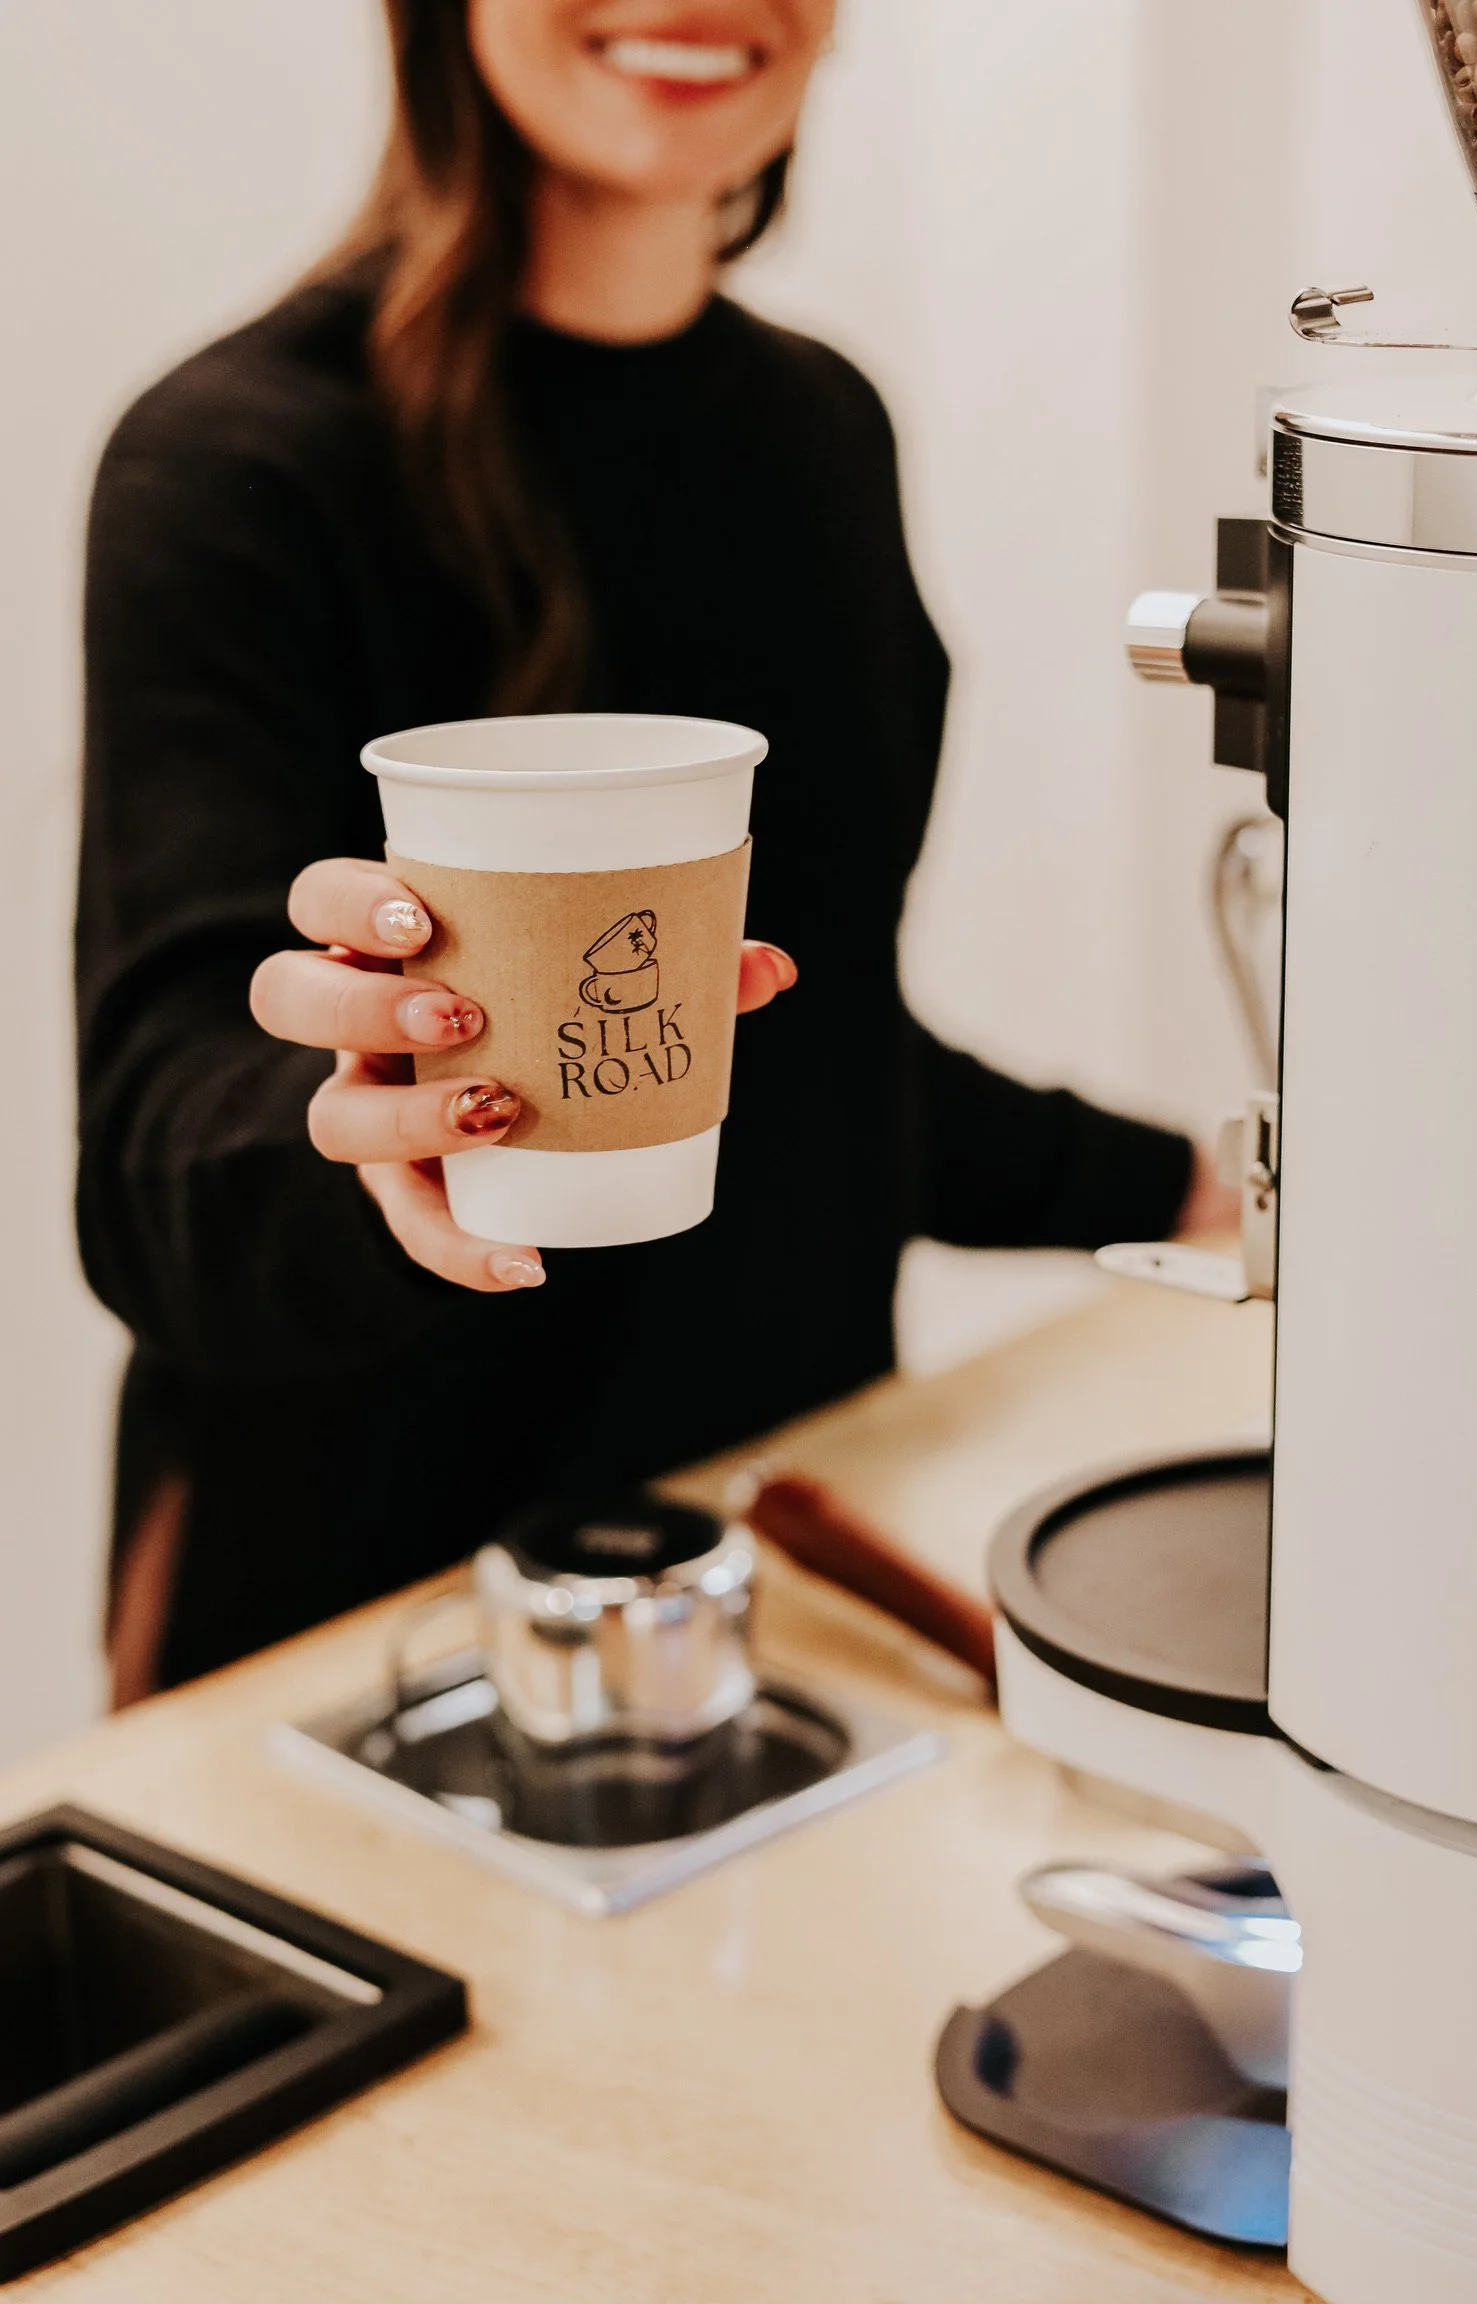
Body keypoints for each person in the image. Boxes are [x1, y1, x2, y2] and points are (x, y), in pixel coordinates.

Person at [77, 0, 1226, 1704]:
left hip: (759, 1579)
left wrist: (1193, 1188)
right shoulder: (239, 467)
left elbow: (802, 1054)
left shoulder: (823, 429)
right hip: (359, 1631)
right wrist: (369, 1129)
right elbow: (159, 1169)